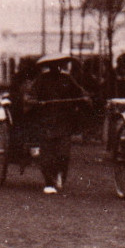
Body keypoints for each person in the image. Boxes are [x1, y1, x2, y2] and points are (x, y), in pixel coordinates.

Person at [27, 53, 89, 195]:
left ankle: (60, 174)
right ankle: (49, 182)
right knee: (47, 154)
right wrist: (36, 101)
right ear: (49, 66)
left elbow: (79, 92)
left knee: (64, 153)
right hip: (46, 120)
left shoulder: (67, 78)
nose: (56, 68)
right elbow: (31, 95)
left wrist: (83, 98)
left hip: (64, 120)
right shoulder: (41, 79)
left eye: (58, 65)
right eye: (52, 66)